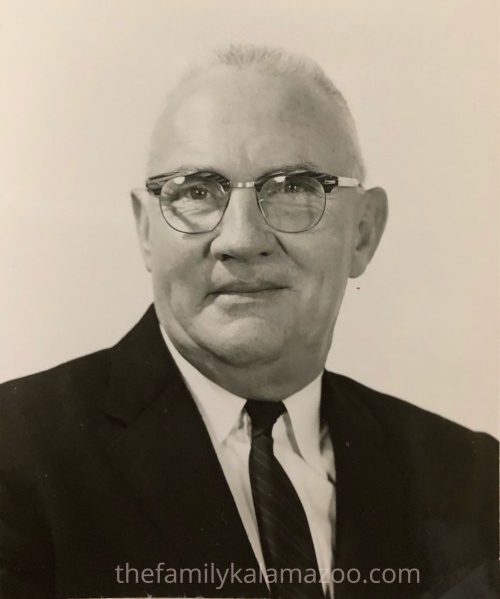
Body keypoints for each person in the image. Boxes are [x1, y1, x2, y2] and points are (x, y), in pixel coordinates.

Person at [0, 45, 497, 599]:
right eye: (195, 192)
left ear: (363, 232)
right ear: (145, 232)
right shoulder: (15, 452)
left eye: (291, 190)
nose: (241, 240)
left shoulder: (471, 477)